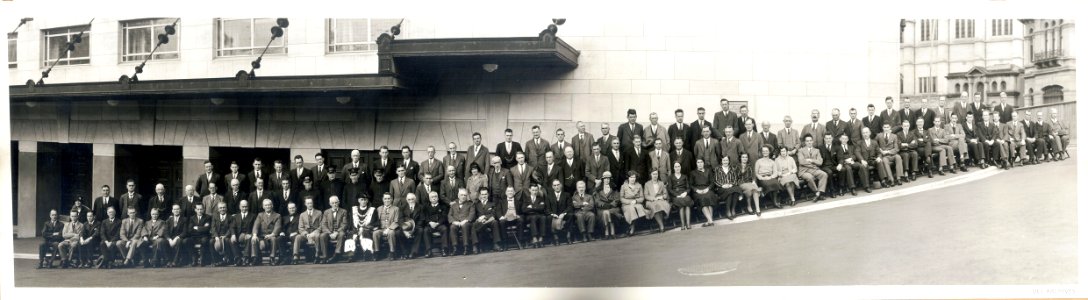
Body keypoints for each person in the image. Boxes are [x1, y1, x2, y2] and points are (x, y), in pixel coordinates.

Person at [798, 135, 829, 201]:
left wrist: (811, 160)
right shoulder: (801, 151)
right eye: (807, 141)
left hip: (814, 169)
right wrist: (813, 164)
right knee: (810, 177)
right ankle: (816, 193)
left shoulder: (817, 150)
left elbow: (820, 162)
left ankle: (819, 192)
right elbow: (801, 162)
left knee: (824, 174)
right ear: (805, 142)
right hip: (804, 170)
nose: (809, 142)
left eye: (810, 141)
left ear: (812, 141)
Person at [318, 196, 348, 264]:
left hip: (339, 231)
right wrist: (330, 233)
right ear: (330, 204)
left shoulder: (343, 211)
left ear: (339, 202)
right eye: (333, 203)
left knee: (342, 234)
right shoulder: (326, 212)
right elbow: (323, 224)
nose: (335, 204)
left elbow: (344, 224)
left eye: (336, 202)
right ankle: (325, 256)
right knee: (322, 236)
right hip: (329, 232)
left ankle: (337, 254)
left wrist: (336, 232)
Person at [448, 188, 476, 255]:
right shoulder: (454, 204)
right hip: (456, 222)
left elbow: (472, 214)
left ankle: (466, 247)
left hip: (466, 222)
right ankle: (455, 248)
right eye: (461, 195)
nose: (463, 197)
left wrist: (465, 220)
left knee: (465, 226)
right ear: (458, 195)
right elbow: (450, 215)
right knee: (452, 227)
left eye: (465, 195)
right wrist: (454, 222)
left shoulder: (470, 204)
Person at [373, 193, 401, 261]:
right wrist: (376, 227)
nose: (387, 200)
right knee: (375, 233)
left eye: (389, 198)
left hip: (391, 228)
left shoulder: (396, 209)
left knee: (391, 233)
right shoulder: (379, 209)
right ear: (383, 200)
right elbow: (376, 220)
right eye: (385, 199)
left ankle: (392, 252)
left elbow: (396, 221)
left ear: (391, 199)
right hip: (381, 228)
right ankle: (377, 252)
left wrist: (389, 229)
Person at [294, 197, 322, 264]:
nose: (310, 204)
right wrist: (306, 235)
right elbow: (300, 228)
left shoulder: (319, 213)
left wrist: (314, 233)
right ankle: (296, 256)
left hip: (315, 232)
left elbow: (321, 225)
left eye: (311, 203)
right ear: (305, 204)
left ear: (313, 203)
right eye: (308, 203)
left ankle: (317, 255)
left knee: (317, 236)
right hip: (306, 234)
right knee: (298, 237)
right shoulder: (302, 215)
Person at [422, 191, 450, 257]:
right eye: (432, 197)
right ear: (429, 199)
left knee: (444, 229)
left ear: (438, 198)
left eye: (435, 196)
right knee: (425, 230)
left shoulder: (443, 206)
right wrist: (430, 222)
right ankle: (428, 251)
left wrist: (438, 223)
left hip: (439, 224)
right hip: (430, 225)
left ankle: (444, 249)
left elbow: (444, 216)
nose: (434, 198)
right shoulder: (426, 207)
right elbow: (424, 217)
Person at [546, 180, 573, 245]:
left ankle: (568, 236)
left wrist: (563, 213)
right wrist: (552, 214)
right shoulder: (549, 196)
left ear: (561, 185)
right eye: (555, 185)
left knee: (571, 215)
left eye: (558, 185)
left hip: (563, 214)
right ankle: (556, 238)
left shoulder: (567, 195)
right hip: (554, 215)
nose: (557, 187)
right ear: (552, 187)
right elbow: (547, 208)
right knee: (549, 217)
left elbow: (570, 206)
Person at [754, 146, 782, 210]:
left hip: (770, 177)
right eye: (763, 151)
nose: (765, 152)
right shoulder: (758, 161)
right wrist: (762, 178)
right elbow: (756, 173)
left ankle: (775, 202)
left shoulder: (772, 161)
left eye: (766, 151)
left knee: (775, 183)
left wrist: (770, 177)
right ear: (762, 152)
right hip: (762, 178)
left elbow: (775, 172)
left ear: (769, 152)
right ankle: (770, 200)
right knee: (767, 185)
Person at [594, 174, 621, 239]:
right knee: (605, 212)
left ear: (610, 179)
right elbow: (597, 200)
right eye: (605, 178)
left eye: (608, 178)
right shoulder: (598, 189)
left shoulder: (614, 188)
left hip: (612, 207)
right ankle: (607, 230)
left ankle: (611, 231)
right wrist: (603, 205)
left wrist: (611, 204)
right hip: (602, 208)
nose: (607, 180)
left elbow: (617, 199)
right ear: (603, 180)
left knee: (609, 212)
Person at [642, 169, 670, 233]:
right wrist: (653, 199)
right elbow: (646, 195)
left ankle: (661, 224)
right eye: (653, 174)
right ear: (651, 175)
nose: (655, 175)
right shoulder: (647, 184)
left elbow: (665, 194)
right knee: (656, 206)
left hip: (660, 200)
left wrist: (662, 197)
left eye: (656, 174)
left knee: (661, 205)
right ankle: (661, 226)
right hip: (651, 201)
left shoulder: (661, 183)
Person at [209, 202, 236, 266]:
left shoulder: (230, 217)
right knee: (211, 241)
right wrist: (216, 236)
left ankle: (227, 259)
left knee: (226, 240)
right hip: (217, 236)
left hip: (226, 235)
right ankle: (215, 260)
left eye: (224, 207)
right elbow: (213, 227)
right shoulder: (215, 217)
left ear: (226, 208)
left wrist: (225, 236)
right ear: (218, 209)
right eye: (220, 208)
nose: (222, 209)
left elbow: (231, 228)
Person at [401, 192, 425, 259]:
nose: (411, 201)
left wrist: (412, 230)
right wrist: (405, 231)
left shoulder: (420, 207)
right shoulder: (402, 207)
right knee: (398, 232)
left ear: (415, 199)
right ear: (406, 200)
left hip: (416, 227)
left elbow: (422, 220)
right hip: (405, 227)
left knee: (420, 230)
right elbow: (400, 220)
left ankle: (413, 252)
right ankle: (405, 253)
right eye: (409, 199)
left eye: (412, 199)